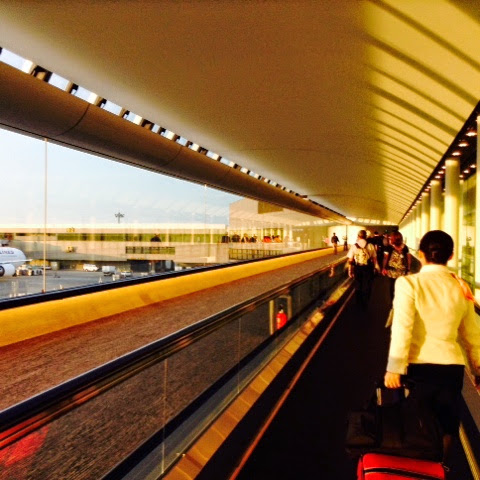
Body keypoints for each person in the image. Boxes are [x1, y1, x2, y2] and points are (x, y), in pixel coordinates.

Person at [384, 230, 480, 463]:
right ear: (451, 255)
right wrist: (478, 369)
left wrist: (394, 367)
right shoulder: (461, 287)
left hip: (418, 367)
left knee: (416, 424)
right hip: (451, 368)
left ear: (420, 254)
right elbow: (472, 334)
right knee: (447, 425)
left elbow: (403, 327)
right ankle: (440, 469)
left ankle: (416, 470)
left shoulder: (408, 283)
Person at [347, 229, 379, 309]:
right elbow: (375, 259)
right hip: (368, 268)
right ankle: (365, 303)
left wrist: (350, 270)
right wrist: (376, 267)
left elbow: (350, 260)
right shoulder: (370, 245)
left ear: (358, 236)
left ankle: (358, 303)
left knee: (358, 284)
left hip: (358, 268)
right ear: (366, 236)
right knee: (367, 285)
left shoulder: (354, 246)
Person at [382, 230, 412, 302]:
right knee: (401, 287)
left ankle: (393, 301)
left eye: (391, 238)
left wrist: (384, 268)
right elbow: (409, 258)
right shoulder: (405, 247)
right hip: (402, 272)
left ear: (393, 239)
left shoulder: (389, 248)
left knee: (392, 287)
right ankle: (400, 300)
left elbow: (386, 258)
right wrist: (408, 269)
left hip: (392, 271)